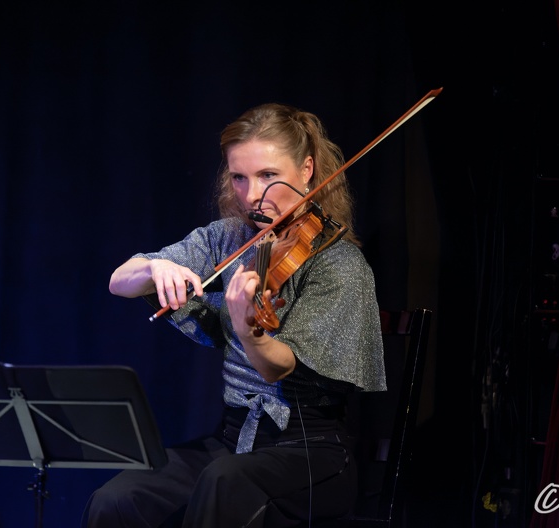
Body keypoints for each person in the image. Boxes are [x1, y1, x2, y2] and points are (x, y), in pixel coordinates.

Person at [82, 103, 386, 528]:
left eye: (267, 175)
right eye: (239, 177)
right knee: (118, 498)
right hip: (232, 441)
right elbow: (119, 281)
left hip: (310, 453)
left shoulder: (339, 265)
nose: (251, 195)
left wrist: (249, 331)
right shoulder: (231, 237)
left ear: (307, 170)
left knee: (224, 483)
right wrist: (154, 268)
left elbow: (276, 368)